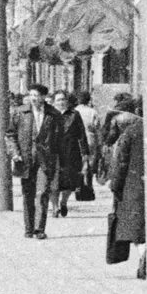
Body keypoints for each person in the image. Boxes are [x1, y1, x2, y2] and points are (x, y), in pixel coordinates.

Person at [100, 92, 143, 268]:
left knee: (137, 228)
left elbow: (120, 161)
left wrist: (115, 187)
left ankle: (144, 255)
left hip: (133, 186)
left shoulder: (130, 131)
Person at [12, 85, 54, 239]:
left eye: (36, 95)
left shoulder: (53, 114)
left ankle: (39, 229)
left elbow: (59, 138)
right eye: (31, 95)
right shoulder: (20, 112)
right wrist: (15, 153)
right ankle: (29, 228)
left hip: (45, 160)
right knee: (28, 194)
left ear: (43, 97)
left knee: (42, 192)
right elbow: (10, 134)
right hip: (26, 158)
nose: (33, 98)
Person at [45, 88, 89, 217]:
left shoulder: (74, 114)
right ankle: (55, 207)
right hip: (53, 152)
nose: (61, 102)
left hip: (71, 152)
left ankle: (63, 202)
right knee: (54, 182)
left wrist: (85, 154)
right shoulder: (49, 114)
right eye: (58, 100)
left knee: (70, 182)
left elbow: (81, 134)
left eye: (63, 99)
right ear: (53, 102)